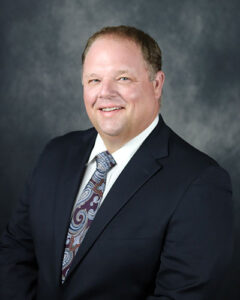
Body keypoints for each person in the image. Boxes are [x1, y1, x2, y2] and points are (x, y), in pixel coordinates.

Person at [0, 25, 233, 300]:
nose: (105, 93)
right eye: (94, 80)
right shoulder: (56, 153)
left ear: (157, 84)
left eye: (122, 78)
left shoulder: (200, 182)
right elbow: (15, 251)